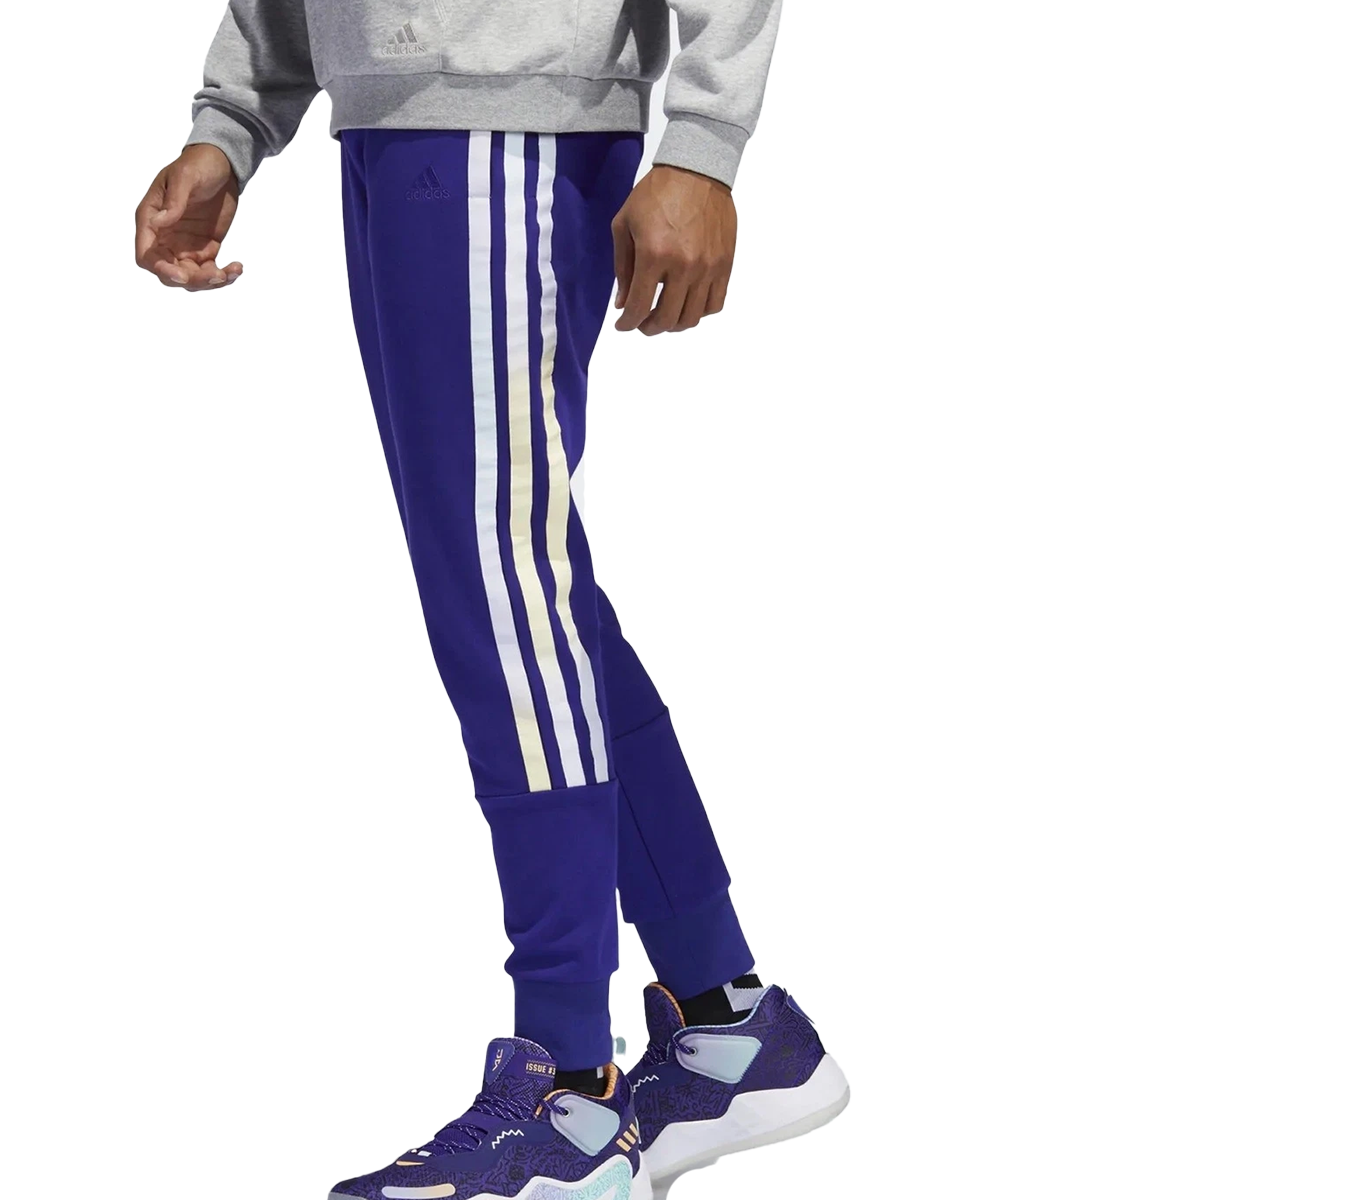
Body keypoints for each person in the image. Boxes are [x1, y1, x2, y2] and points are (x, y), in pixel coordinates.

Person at [133, 3, 846, 1196]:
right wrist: (234, 118)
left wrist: (702, 144)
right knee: (521, 581)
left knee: (504, 587)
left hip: (511, 118)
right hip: (391, 121)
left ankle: (567, 1098)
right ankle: (727, 1023)